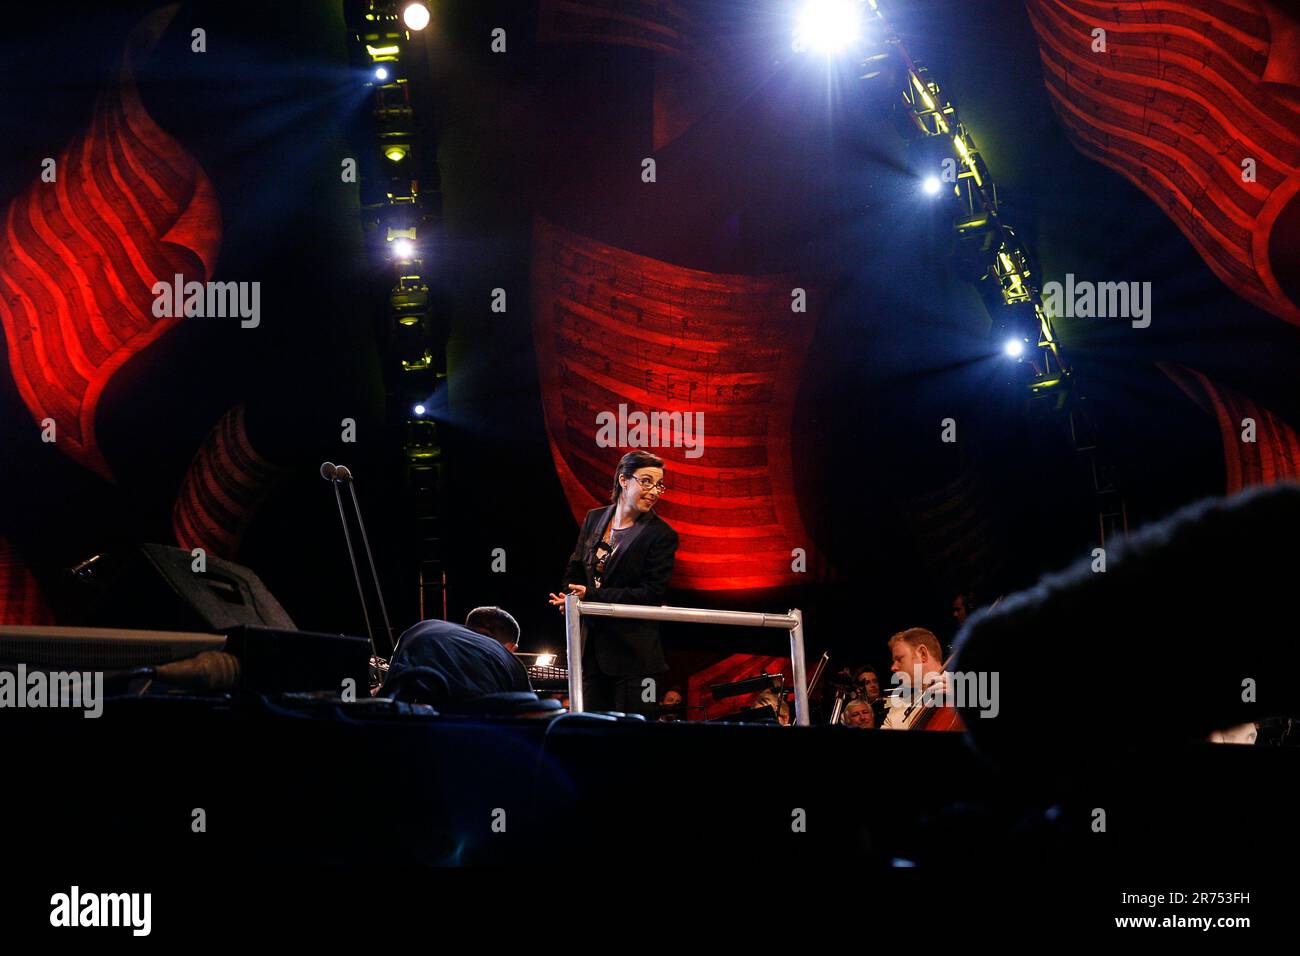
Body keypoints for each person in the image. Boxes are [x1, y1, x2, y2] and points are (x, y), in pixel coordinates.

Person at [548, 450, 680, 716]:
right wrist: (570, 599)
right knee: (593, 734)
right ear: (623, 480)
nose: (654, 491)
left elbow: (651, 594)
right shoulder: (594, 518)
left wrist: (592, 597)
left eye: (659, 485)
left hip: (634, 657)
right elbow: (575, 568)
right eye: (646, 481)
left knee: (633, 741)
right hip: (590, 652)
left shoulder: (662, 535)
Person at [380, 618, 532, 708]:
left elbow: (387, 700)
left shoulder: (423, 627)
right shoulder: (510, 661)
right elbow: (533, 713)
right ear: (511, 647)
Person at [881, 627, 956, 731]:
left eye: (899, 659)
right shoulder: (896, 713)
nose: (893, 667)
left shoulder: (965, 690)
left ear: (922, 654)